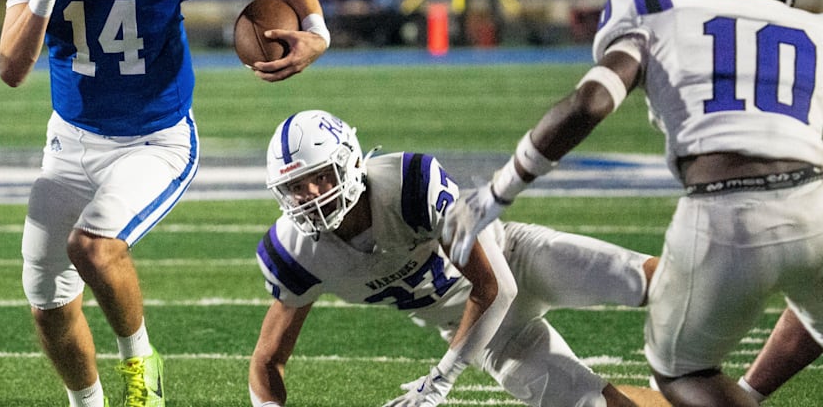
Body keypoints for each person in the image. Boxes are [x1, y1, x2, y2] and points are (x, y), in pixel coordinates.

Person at [0, 0, 329, 407]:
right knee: (45, 297)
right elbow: (12, 71)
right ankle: (87, 403)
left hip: (154, 140)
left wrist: (318, 29)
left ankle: (141, 363)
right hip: (69, 141)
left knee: (92, 246)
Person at [461, 0, 823, 407]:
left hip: (725, 214)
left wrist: (499, 191)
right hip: (814, 203)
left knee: (681, 375)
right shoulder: (812, 29)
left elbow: (589, 104)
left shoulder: (655, 7)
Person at [248, 109, 669, 407]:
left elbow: (496, 286)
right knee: (591, 403)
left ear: (351, 162)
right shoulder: (294, 252)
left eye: (320, 177)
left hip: (513, 259)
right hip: (478, 329)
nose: (312, 196)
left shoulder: (409, 185)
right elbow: (268, 360)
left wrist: (440, 380)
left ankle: (736, 382)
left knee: (653, 281)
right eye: (297, 187)